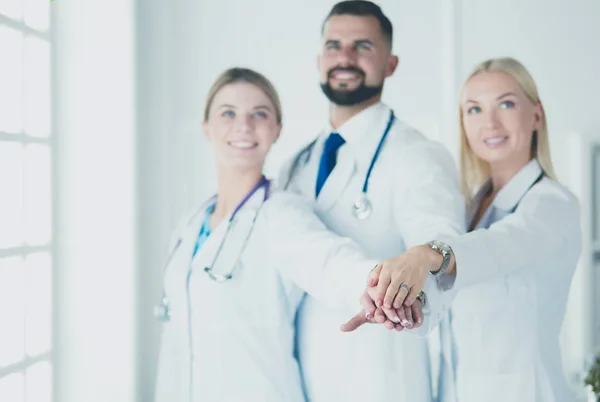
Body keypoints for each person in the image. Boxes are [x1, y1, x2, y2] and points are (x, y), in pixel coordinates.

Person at [153, 67, 431, 402]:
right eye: (228, 113)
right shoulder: (189, 224)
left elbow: (330, 262)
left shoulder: (280, 213)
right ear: (206, 127)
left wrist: (382, 287)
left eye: (260, 113)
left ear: (276, 130)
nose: (244, 125)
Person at [352, 57, 582, 402]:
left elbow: (503, 246)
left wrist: (424, 255)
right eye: (474, 110)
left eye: (505, 104)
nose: (489, 122)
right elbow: (455, 299)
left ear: (536, 115)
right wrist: (403, 304)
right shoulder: (473, 206)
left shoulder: (552, 203)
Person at [279, 1, 465, 401]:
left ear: (390, 63)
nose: (344, 57)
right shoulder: (297, 164)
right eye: (334, 45)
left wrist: (410, 287)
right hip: (305, 375)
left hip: (383, 379)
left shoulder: (417, 153)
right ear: (319, 59)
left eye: (362, 46)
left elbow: (441, 243)